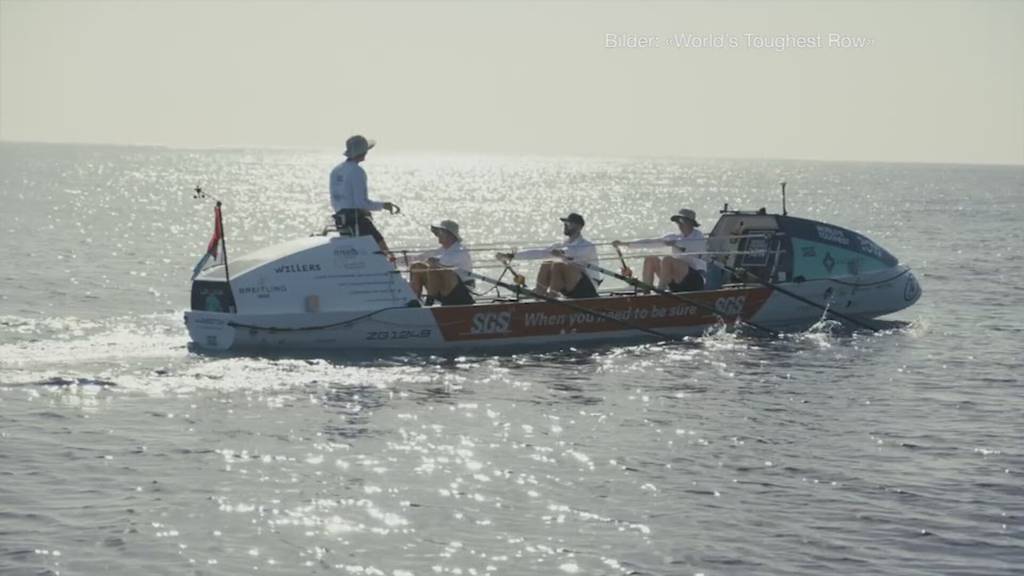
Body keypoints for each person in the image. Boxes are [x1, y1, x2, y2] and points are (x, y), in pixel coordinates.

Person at [497, 213, 601, 299]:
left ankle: (551, 298)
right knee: (547, 263)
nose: (565, 225)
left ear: (579, 227)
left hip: (588, 288)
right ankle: (539, 294)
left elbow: (572, 253)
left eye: (568, 223)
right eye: (564, 223)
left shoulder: (587, 246)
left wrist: (561, 253)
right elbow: (540, 252)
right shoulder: (561, 244)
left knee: (558, 264)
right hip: (569, 286)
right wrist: (511, 256)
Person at [329, 134, 399, 252]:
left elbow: (337, 199)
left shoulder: (336, 170)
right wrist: (384, 205)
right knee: (382, 248)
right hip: (355, 220)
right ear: (363, 152)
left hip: (340, 219)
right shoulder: (357, 171)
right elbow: (362, 203)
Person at [612, 208, 706, 292]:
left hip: (694, 279)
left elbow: (693, 247)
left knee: (667, 260)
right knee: (651, 259)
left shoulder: (698, 236)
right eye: (677, 221)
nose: (679, 224)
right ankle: (646, 291)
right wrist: (625, 244)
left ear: (690, 222)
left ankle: (660, 291)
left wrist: (676, 244)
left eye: (681, 220)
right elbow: (651, 243)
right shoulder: (675, 237)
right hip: (676, 280)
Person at [407, 220, 475, 306]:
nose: (437, 235)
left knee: (434, 268)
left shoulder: (461, 250)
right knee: (417, 266)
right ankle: (415, 300)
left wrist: (432, 261)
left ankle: (429, 303)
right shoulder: (440, 250)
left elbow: (445, 261)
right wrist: (393, 259)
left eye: (440, 232)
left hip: (461, 291)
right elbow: (418, 257)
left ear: (450, 235)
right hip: (442, 289)